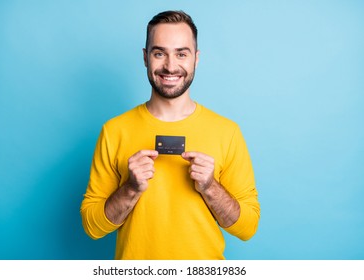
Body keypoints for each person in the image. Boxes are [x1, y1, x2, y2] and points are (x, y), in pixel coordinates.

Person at [80, 10, 260, 260]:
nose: (170, 66)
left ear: (196, 59)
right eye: (159, 53)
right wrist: (131, 188)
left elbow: (247, 227)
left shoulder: (227, 132)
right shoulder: (114, 131)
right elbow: (92, 227)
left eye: (181, 53)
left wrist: (210, 187)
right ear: (145, 57)